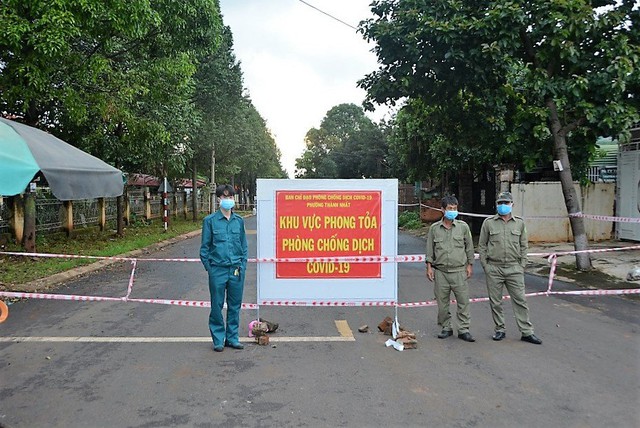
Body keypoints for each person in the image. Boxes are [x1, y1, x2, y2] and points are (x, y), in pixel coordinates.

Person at [478, 191, 542, 345]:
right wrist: (486, 266)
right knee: (496, 302)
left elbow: (523, 246)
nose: (502, 206)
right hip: (494, 267)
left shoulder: (519, 223)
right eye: (500, 203)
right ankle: (499, 329)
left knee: (520, 300)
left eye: (506, 203)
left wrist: (522, 265)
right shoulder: (488, 223)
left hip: (514, 268)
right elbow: (482, 245)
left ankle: (526, 332)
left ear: (512, 205)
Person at [200, 184, 248, 352]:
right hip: (217, 270)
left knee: (235, 305)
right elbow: (204, 249)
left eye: (230, 197)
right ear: (218, 199)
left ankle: (232, 338)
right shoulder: (210, 221)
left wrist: (242, 265)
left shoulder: (239, 221)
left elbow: (244, 246)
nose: (227, 200)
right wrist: (210, 268)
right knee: (216, 305)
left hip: (236, 269)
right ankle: (218, 339)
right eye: (224, 197)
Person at [425, 195, 476, 342]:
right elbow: (430, 250)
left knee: (463, 302)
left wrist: (470, 265)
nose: (452, 211)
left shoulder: (463, 227)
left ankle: (464, 329)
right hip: (441, 272)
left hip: (459, 271)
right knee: (442, 303)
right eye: (449, 208)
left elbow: (469, 247)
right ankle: (446, 327)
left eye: (455, 208)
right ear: (443, 210)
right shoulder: (434, 229)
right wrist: (429, 267)